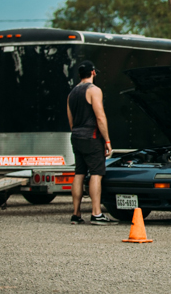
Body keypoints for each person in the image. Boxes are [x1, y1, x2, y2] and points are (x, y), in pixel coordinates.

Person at [66, 60, 114, 225]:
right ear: (93, 72)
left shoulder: (71, 93)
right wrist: (107, 140)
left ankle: (76, 214)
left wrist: (77, 134)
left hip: (76, 137)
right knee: (96, 173)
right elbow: (100, 117)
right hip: (92, 138)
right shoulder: (94, 90)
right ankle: (96, 213)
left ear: (80, 75)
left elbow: (71, 120)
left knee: (79, 173)